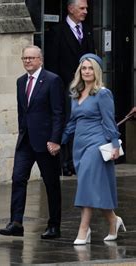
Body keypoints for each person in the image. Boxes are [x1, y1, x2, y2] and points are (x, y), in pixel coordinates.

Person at [0, 45, 65, 239]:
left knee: (51, 184)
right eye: (24, 58)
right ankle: (16, 223)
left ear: (40, 60)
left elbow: (59, 113)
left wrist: (55, 140)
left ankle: (54, 225)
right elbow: (22, 111)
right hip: (25, 141)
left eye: (31, 58)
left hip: (46, 142)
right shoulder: (20, 82)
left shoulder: (52, 80)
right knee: (18, 179)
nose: (27, 61)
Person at [61, 54, 125, 245]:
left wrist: (115, 145)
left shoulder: (103, 93)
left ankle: (84, 229)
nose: (86, 71)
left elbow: (109, 121)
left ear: (96, 71)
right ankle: (113, 220)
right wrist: (59, 141)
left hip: (96, 144)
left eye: (90, 68)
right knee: (94, 187)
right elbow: (72, 123)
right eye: (83, 68)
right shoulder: (76, 93)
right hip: (79, 145)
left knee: (86, 185)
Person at [45, 0, 95, 176]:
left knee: (83, 122)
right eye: (82, 8)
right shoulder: (57, 31)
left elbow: (93, 59)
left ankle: (77, 161)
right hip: (65, 87)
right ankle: (64, 162)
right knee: (67, 122)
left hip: (86, 86)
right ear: (70, 9)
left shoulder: (88, 31)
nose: (85, 11)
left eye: (86, 8)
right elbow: (52, 62)